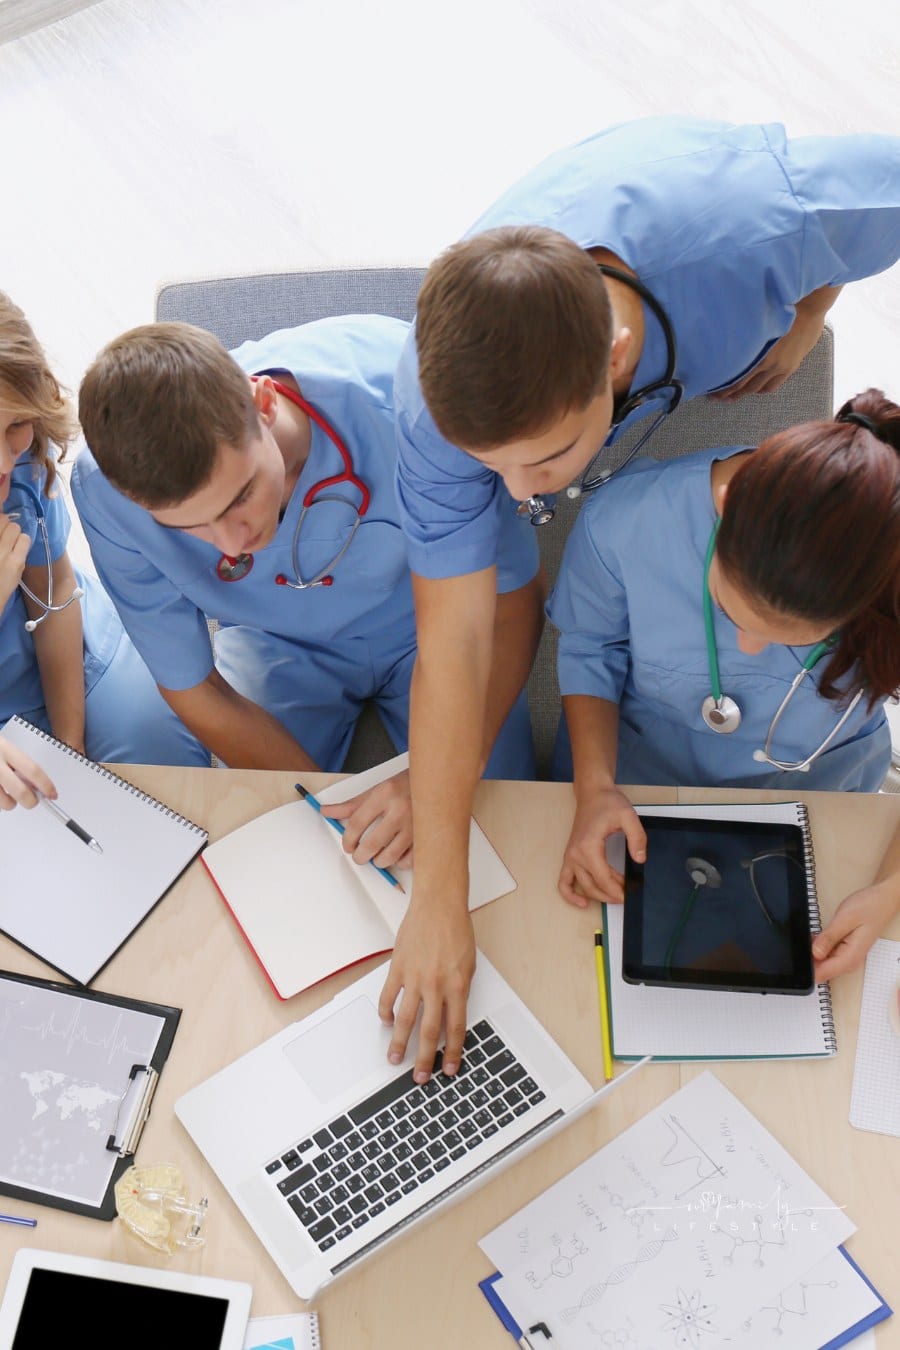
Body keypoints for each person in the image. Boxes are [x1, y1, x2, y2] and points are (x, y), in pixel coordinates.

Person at [383, 115, 900, 1081]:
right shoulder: (443, 414)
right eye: (488, 467)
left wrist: (810, 306)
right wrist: (436, 898)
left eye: (542, 460)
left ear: (617, 360)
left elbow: (878, 208)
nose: (522, 500)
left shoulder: (751, 225)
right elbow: (451, 644)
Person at [73, 316, 536, 866]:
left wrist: (439, 776)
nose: (230, 544)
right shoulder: (104, 492)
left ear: (263, 403)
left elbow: (514, 603)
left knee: (509, 832)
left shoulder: (416, 401)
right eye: (189, 527)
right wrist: (333, 816)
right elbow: (195, 689)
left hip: (438, 623)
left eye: (239, 497)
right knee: (272, 845)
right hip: (279, 645)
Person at [547, 391, 900, 979]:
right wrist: (594, 788)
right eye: (734, 612)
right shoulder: (629, 521)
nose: (750, 649)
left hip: (822, 800)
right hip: (635, 783)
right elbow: (589, 646)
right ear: (728, 505)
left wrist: (891, 891)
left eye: (792, 633)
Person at [0, 292, 203, 767]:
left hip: (66, 656)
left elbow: (54, 592)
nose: (4, 461)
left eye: (16, 424)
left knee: (159, 757)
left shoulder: (26, 468)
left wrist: (70, 743)